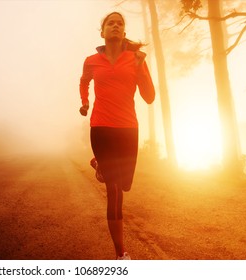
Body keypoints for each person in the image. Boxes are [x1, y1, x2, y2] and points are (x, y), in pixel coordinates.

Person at [79, 11, 155, 260]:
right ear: (103, 32)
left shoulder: (134, 58)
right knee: (114, 191)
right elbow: (84, 81)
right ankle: (120, 253)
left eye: (119, 23)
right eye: (110, 23)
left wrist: (140, 67)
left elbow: (149, 97)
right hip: (101, 127)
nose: (115, 25)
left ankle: (100, 164)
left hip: (128, 129)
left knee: (125, 185)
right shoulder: (91, 60)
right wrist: (85, 102)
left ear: (124, 32)